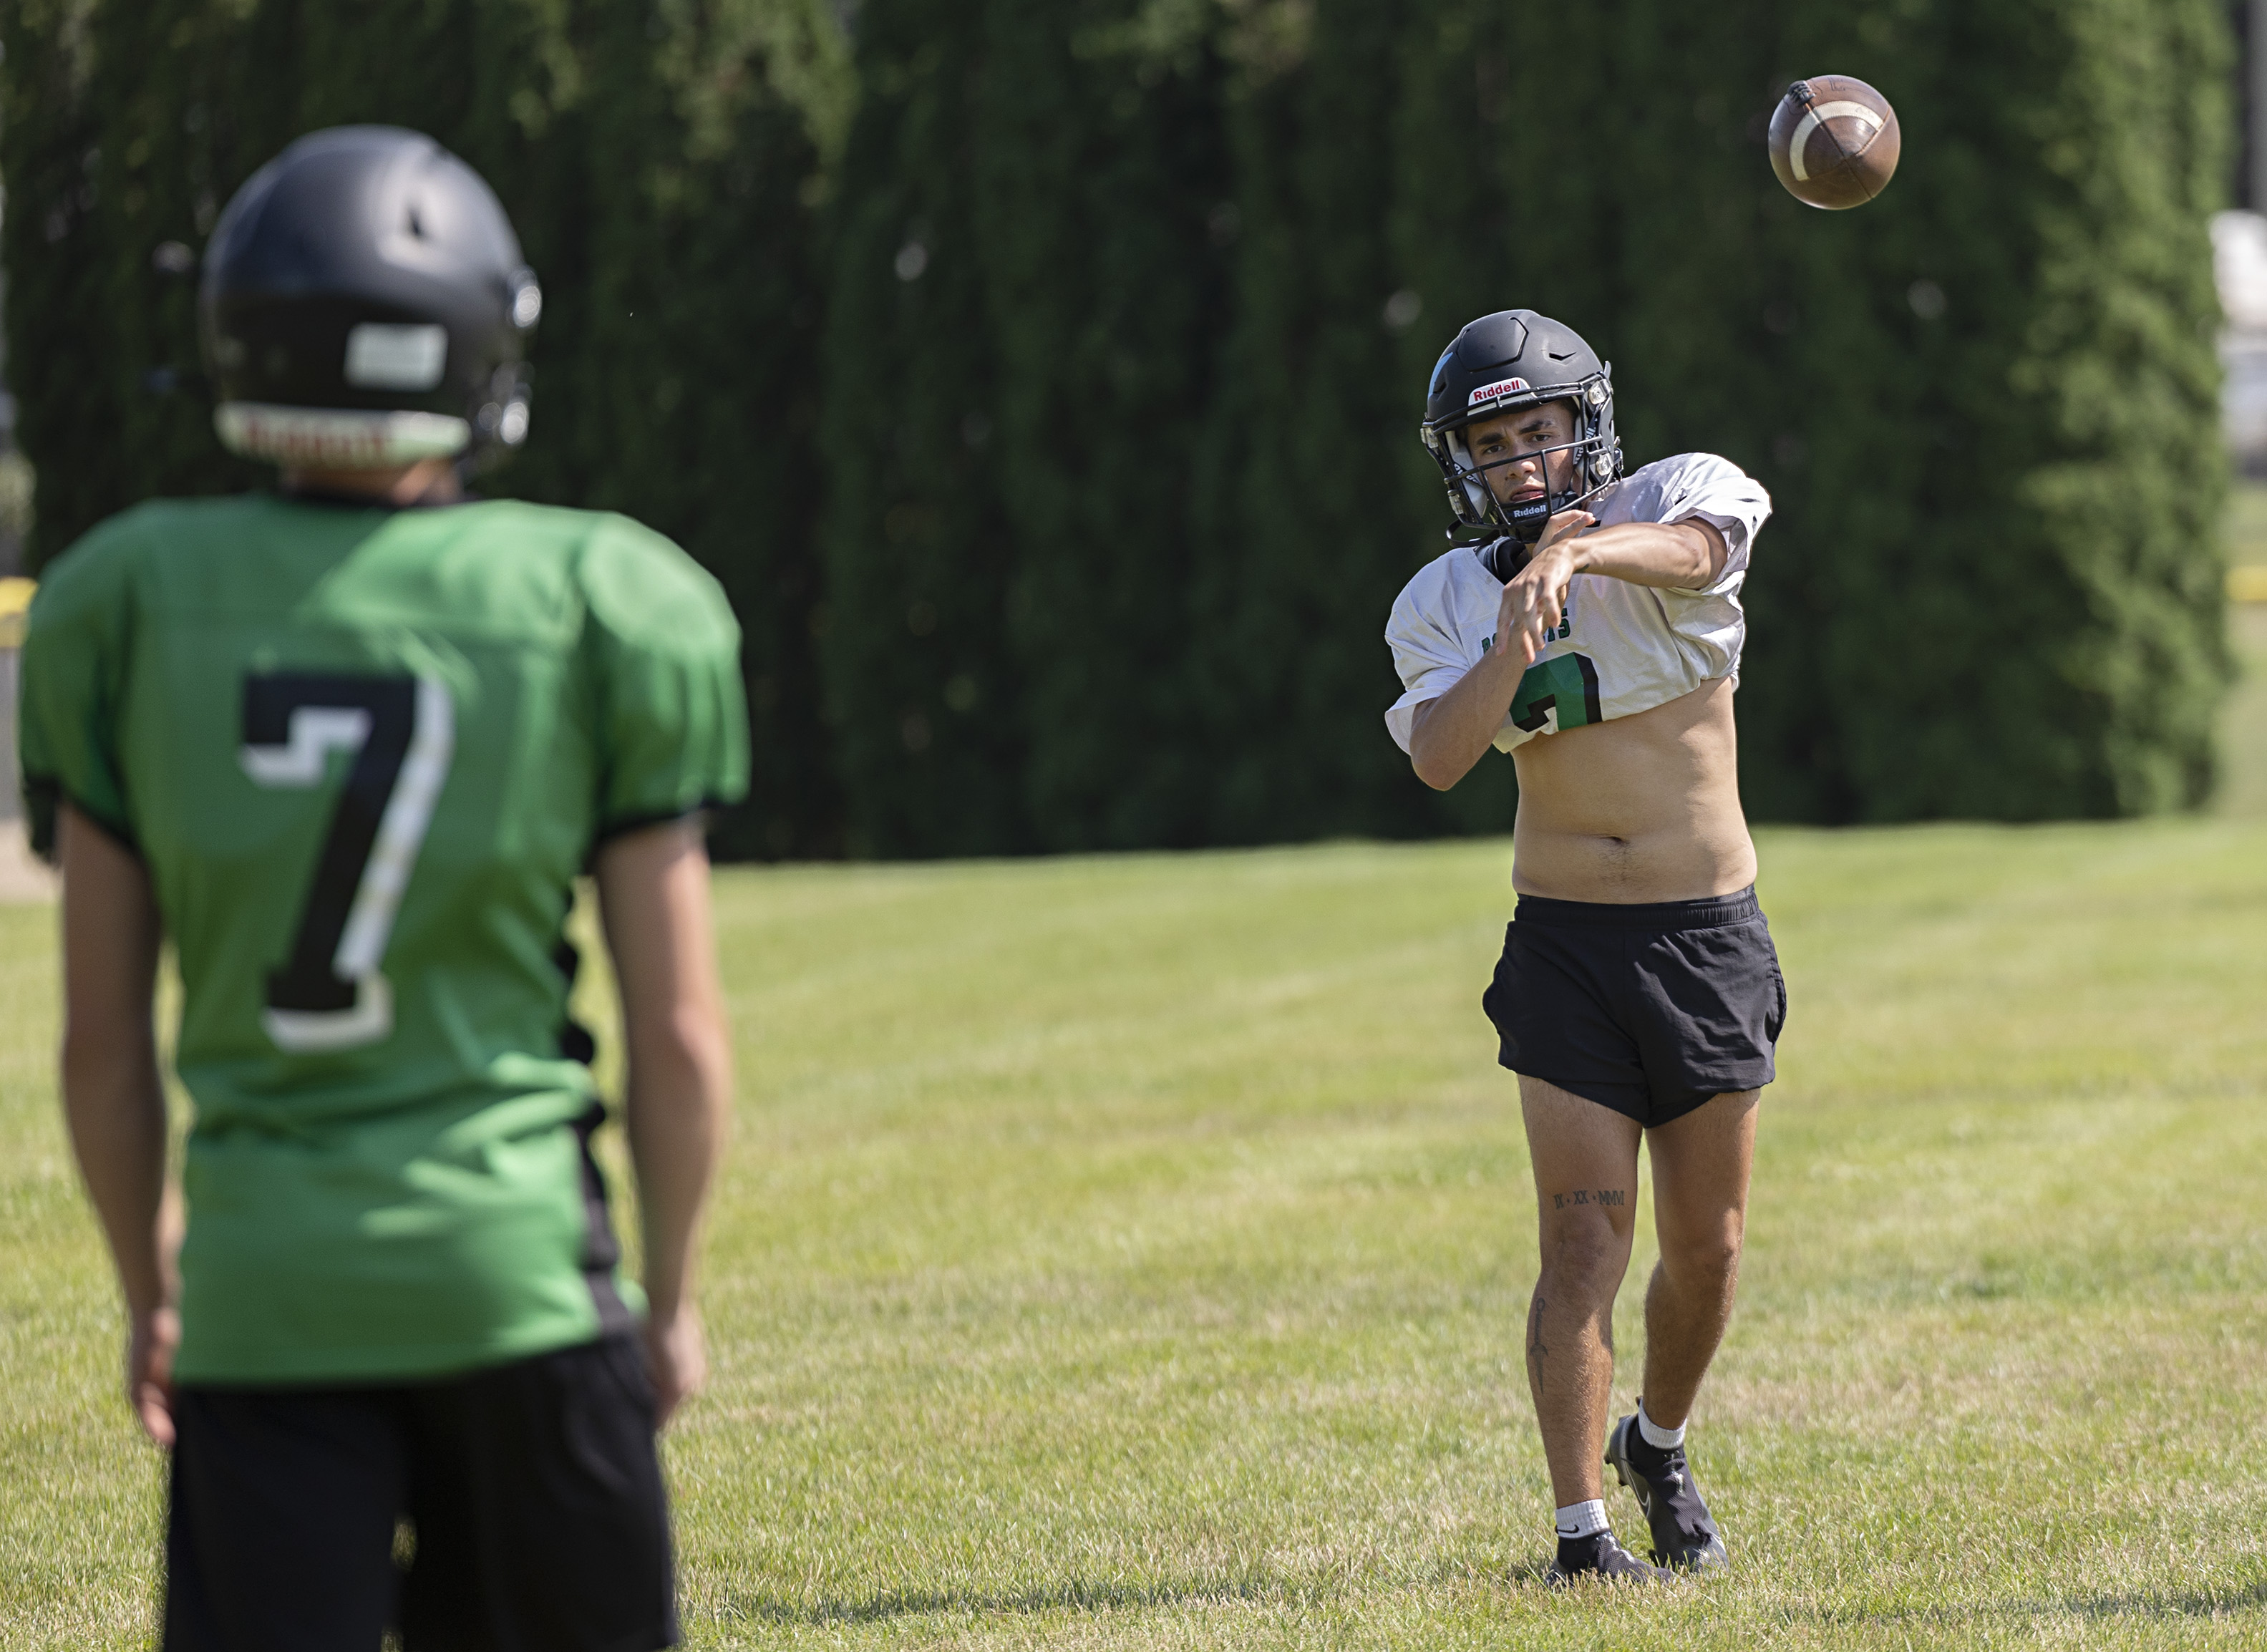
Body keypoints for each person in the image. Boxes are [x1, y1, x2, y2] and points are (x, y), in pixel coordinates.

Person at [17, 126, 748, 1651]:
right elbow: (676, 1037)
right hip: (521, 1282)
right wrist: (668, 1295)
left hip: (264, 1295)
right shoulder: (606, 593)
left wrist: (154, 1284)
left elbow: (101, 1041)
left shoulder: (125, 596)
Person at [1384, 310, 1782, 1584]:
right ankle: (1579, 1536)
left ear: (1587, 429)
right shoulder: (1445, 598)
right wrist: (1518, 619)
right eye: (1493, 444)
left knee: (1709, 1245)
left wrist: (1581, 551)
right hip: (1564, 947)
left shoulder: (1677, 494)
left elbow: (1700, 546)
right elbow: (1442, 760)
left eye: (1539, 433)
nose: (1520, 463)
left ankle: (1656, 1442)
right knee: (1582, 1243)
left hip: (1703, 934)